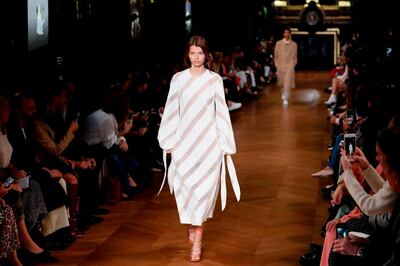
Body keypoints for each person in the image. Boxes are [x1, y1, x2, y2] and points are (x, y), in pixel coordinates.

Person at [157, 35, 241, 262]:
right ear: (188, 54)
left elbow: (221, 112)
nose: (196, 57)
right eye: (192, 53)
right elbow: (172, 110)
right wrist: (168, 140)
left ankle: (199, 241)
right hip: (184, 143)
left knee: (204, 191)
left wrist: (225, 143)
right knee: (186, 189)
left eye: (200, 53)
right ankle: (192, 223)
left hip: (208, 144)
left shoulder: (214, 80)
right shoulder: (178, 79)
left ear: (206, 55)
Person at [274, 27, 298, 105]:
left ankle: (286, 97)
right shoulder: (278, 43)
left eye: (288, 33)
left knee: (287, 83)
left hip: (289, 66)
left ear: (290, 33)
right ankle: (283, 94)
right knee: (281, 83)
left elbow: (295, 56)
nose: (286, 34)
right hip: (280, 65)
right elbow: (276, 55)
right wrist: (277, 65)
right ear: (283, 34)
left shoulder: (294, 44)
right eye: (285, 33)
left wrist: (293, 64)